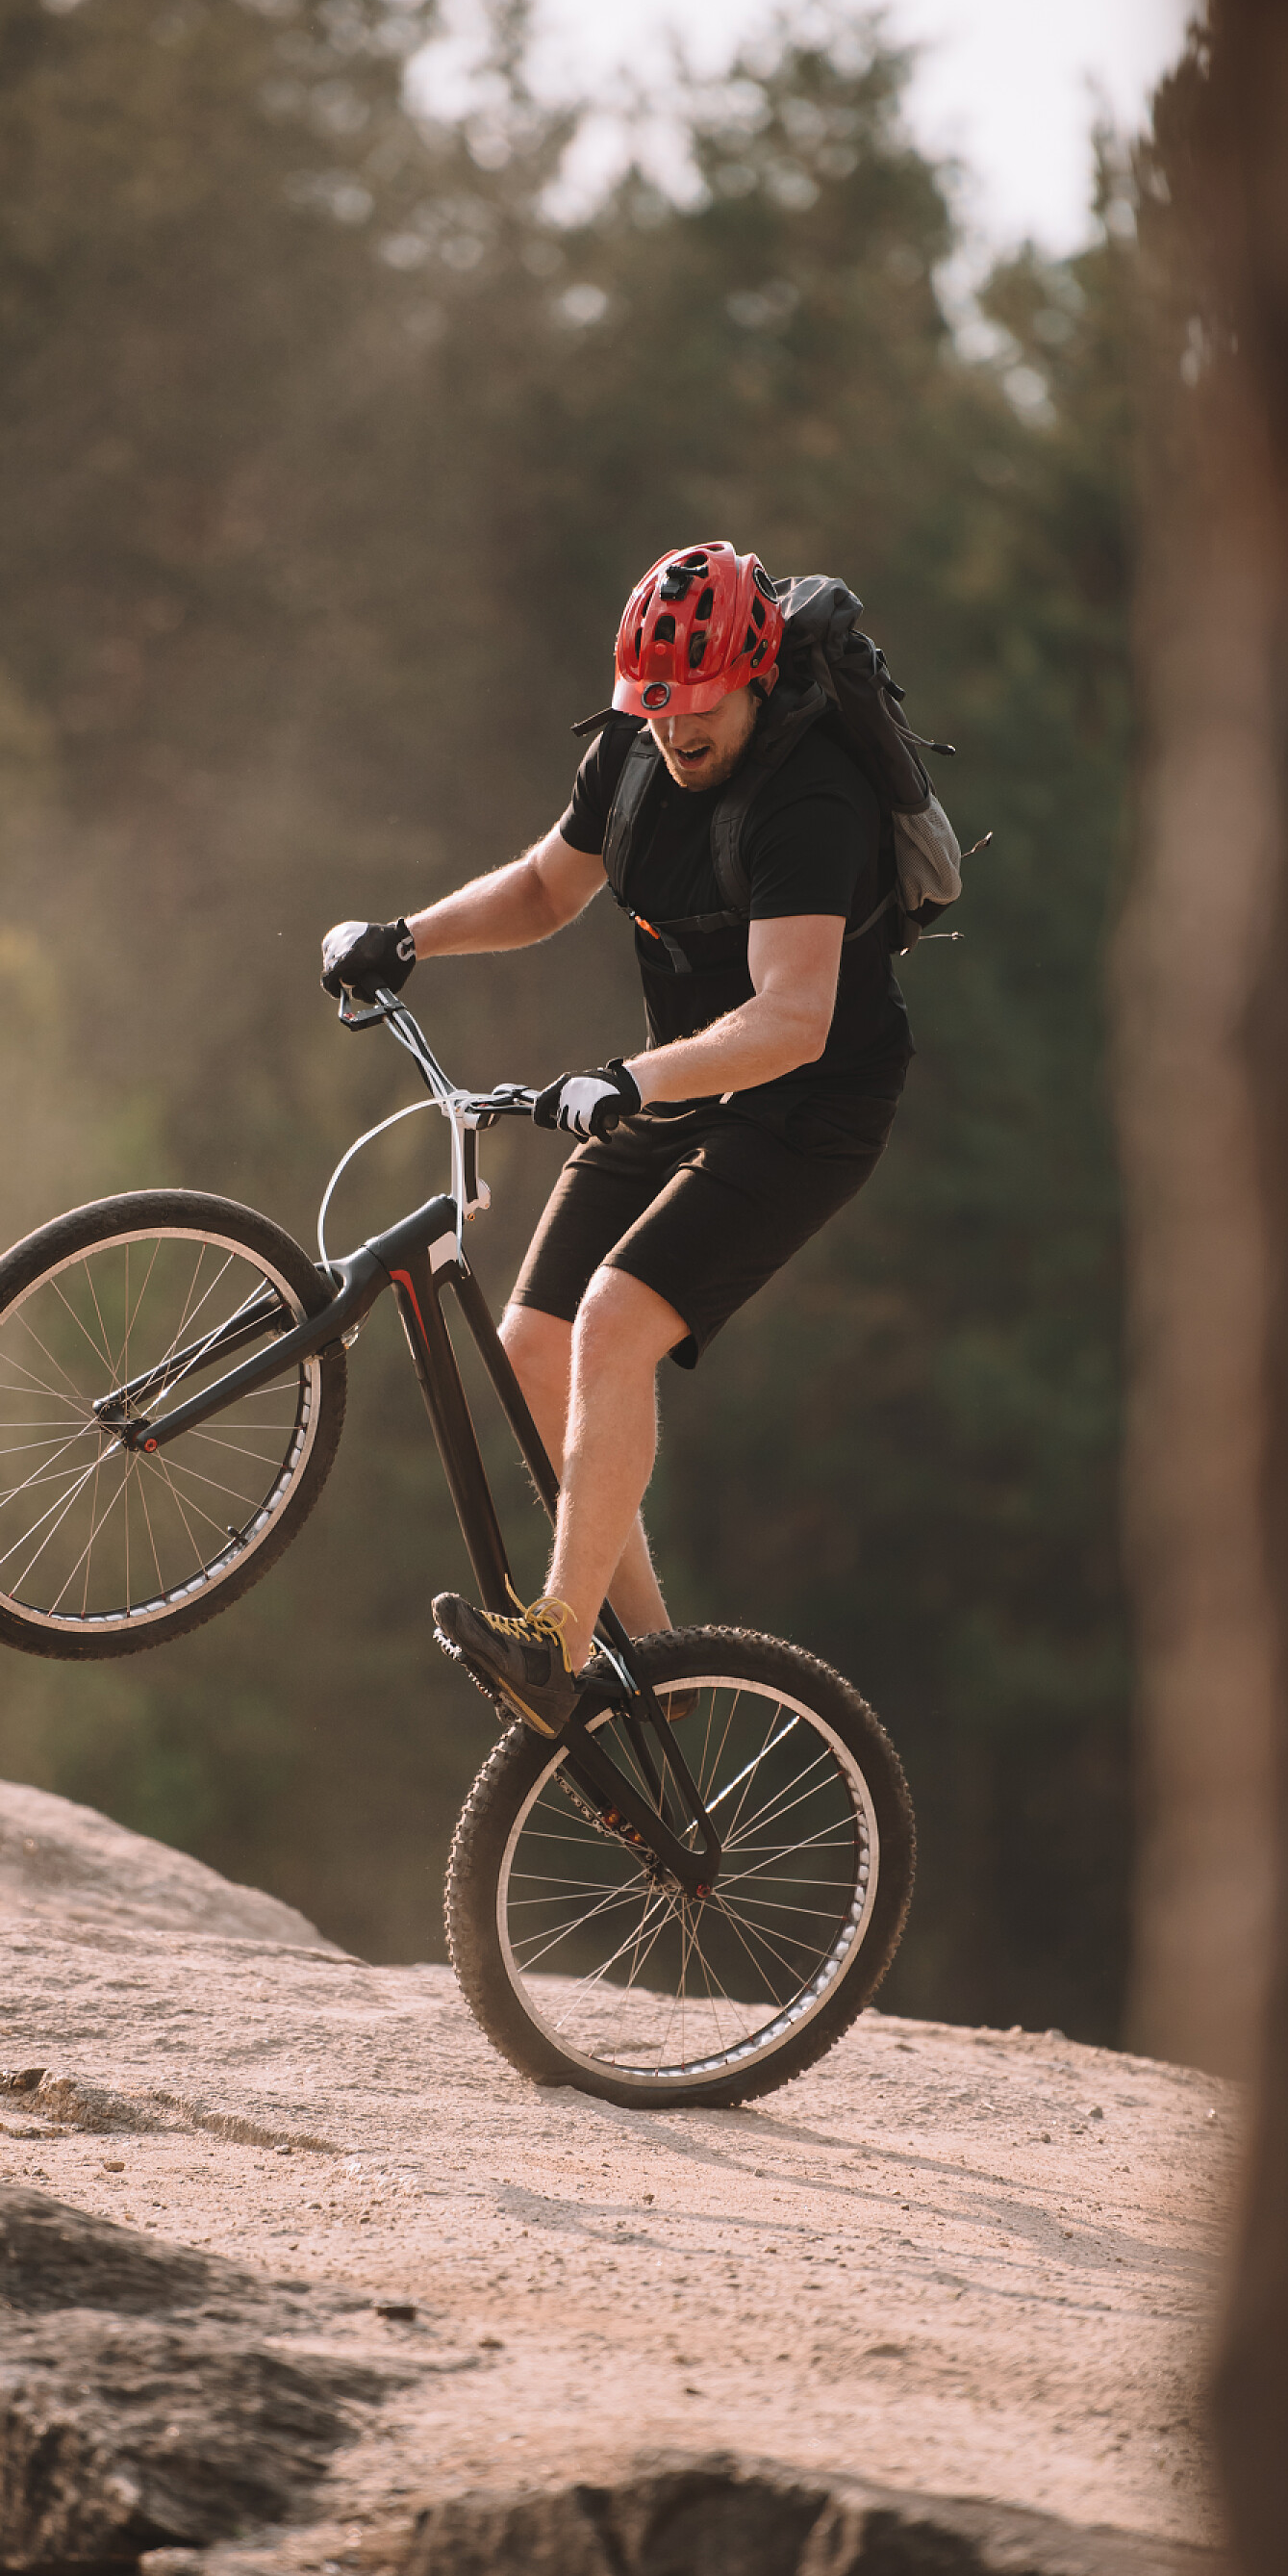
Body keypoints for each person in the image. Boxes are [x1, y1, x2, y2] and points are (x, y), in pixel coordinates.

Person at [319, 540, 912, 1739]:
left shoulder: (812, 800)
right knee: (533, 1347)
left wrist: (624, 1080)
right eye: (655, 710)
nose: (676, 733)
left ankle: (559, 1636)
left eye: (697, 710)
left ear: (750, 677)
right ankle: (654, 1681)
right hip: (675, 1085)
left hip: (807, 1110)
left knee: (613, 1324)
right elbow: (547, 888)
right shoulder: (632, 757)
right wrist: (407, 937)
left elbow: (795, 1021)